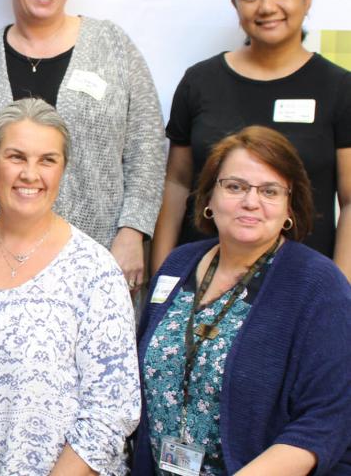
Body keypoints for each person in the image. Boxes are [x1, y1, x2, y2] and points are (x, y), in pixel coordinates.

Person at [0, 98, 140, 476]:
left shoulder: (94, 270)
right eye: (16, 157)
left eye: (47, 160)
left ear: (63, 170)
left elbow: (112, 407)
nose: (31, 174)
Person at [134, 126, 351, 474]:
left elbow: (326, 420)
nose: (251, 201)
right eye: (235, 186)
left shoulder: (319, 286)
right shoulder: (178, 264)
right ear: (208, 198)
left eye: (269, 191)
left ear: (289, 207)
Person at [0, 0, 166, 292]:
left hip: (100, 263)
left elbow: (147, 146)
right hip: (0, 266)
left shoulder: (112, 45)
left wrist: (133, 232)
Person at [152, 0, 351, 277]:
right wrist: (162, 278)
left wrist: (341, 292)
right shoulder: (200, 81)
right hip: (203, 279)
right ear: (235, 4)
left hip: (300, 283)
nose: (267, 7)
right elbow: (176, 183)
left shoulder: (339, 88)